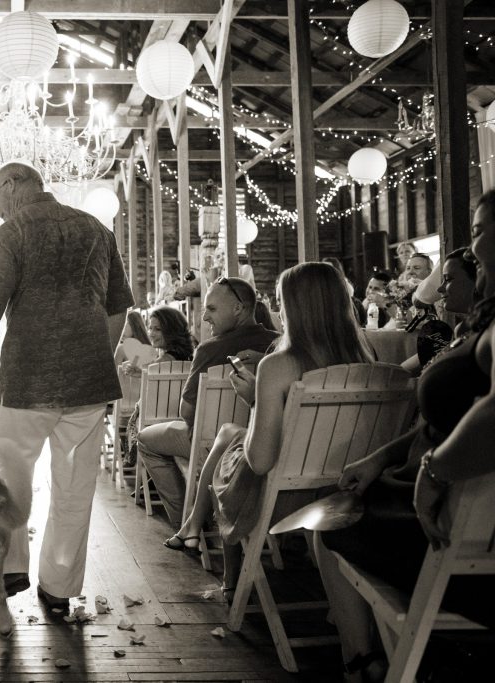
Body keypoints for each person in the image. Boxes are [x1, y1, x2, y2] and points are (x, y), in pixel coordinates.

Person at [0, 161, 134, 610]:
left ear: (13, 185)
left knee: (4, 470)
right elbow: (118, 309)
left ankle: (11, 566)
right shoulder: (98, 231)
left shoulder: (10, 236)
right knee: (76, 486)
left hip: (28, 379)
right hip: (89, 382)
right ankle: (58, 588)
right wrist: (94, 355)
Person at [315, 193, 495, 683]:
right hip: (436, 501)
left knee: (327, 522)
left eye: (479, 230)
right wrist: (381, 455)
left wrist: (435, 471)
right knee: (339, 500)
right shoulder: (473, 327)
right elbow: (444, 421)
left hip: (452, 529)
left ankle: (369, 663)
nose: (471, 246)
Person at [165, 263, 374, 600]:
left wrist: (254, 400)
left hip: (284, 496)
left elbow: (260, 461)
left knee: (228, 453)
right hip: (347, 490)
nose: (277, 311)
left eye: (279, 302)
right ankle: (204, 543)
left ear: (293, 308)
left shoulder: (277, 366)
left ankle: (229, 580)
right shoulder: (370, 362)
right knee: (229, 436)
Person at [136, 277, 279, 529]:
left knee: (145, 439)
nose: (204, 318)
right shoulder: (279, 344)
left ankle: (187, 520)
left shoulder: (210, 349)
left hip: (209, 442)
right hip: (262, 442)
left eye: (211, 309)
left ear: (238, 308)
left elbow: (187, 411)